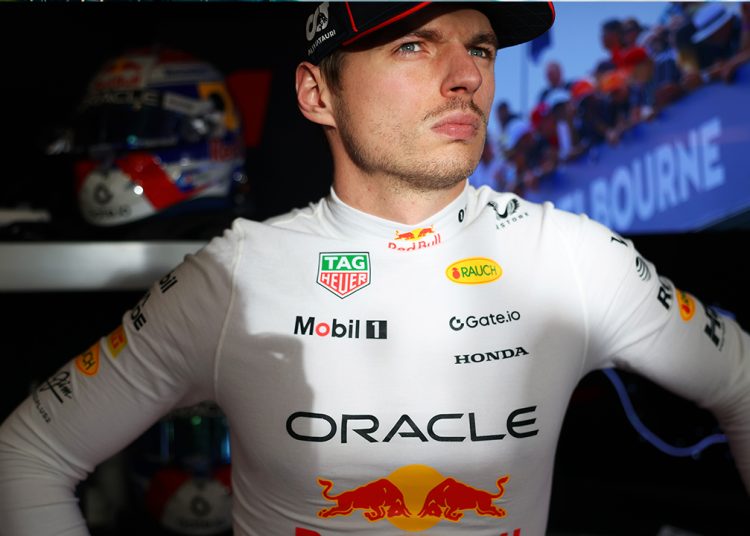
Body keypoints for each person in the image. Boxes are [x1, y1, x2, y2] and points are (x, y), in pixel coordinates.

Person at [0, 2, 749, 536]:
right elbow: (27, 454)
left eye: (481, 49)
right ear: (316, 93)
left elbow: (742, 382)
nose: (465, 76)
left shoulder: (575, 257)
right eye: (414, 46)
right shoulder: (233, 279)